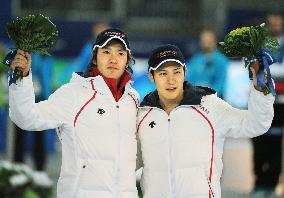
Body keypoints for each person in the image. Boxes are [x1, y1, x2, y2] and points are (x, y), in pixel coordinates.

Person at [9, 28, 140, 198]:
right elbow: (26, 118)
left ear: (127, 59)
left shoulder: (133, 99)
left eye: (120, 53)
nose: (113, 59)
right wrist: (21, 76)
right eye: (106, 52)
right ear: (94, 57)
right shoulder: (74, 94)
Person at [136, 44, 275, 197]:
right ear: (151, 76)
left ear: (185, 72)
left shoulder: (209, 106)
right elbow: (128, 162)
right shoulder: (142, 115)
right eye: (163, 74)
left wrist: (262, 91)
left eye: (177, 72)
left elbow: (255, 124)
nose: (171, 80)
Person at [252, 12, 284, 197]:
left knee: (275, 143)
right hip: (260, 101)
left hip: (279, 103)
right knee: (259, 140)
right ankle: (258, 183)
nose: (275, 26)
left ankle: (272, 184)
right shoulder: (258, 45)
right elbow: (252, 70)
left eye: (278, 23)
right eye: (272, 23)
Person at [186, 30, 229, 98]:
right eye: (204, 41)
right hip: (196, 98)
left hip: (214, 99)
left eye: (209, 41)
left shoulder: (221, 60)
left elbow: (220, 83)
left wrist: (209, 95)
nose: (206, 44)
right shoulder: (196, 59)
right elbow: (188, 77)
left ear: (214, 42)